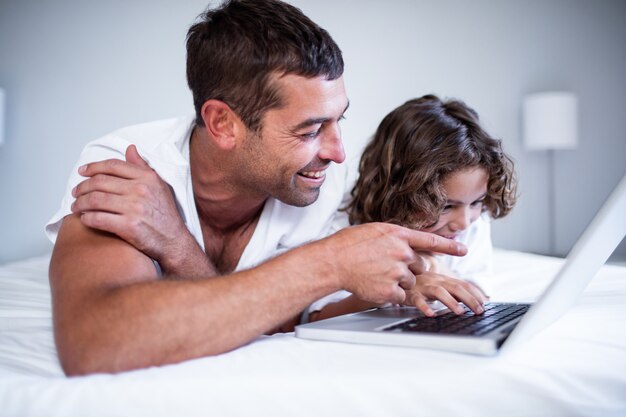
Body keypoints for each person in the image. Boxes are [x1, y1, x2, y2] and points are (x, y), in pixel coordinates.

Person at [46, 0, 471, 376]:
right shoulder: (129, 165)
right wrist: (328, 262)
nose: (338, 153)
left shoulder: (324, 183)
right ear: (223, 124)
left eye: (338, 119)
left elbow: (284, 322)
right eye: (309, 130)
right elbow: (95, 342)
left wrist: (178, 249)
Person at [306, 95, 517, 323]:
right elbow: (315, 317)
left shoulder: (473, 226)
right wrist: (394, 289)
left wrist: (435, 268)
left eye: (476, 202)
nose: (464, 221)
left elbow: (479, 297)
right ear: (398, 192)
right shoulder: (345, 231)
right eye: (446, 206)